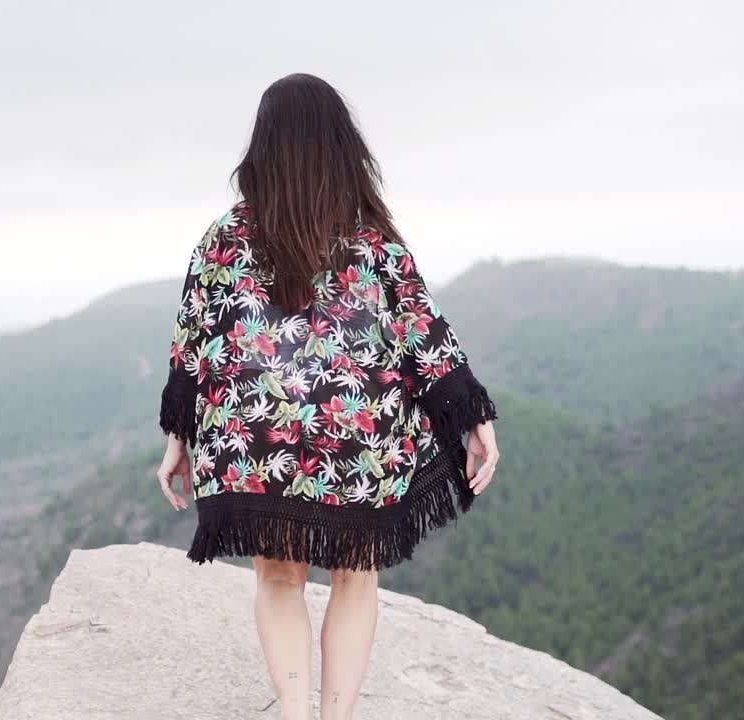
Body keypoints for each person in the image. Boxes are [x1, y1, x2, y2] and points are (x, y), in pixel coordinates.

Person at [155, 73, 500, 720]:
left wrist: (179, 438)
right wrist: (473, 417)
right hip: (357, 439)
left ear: (264, 147)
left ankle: (294, 710)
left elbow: (193, 345)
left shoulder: (224, 237)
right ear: (342, 144)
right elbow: (420, 327)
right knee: (355, 575)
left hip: (256, 439)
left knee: (279, 577)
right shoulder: (372, 237)